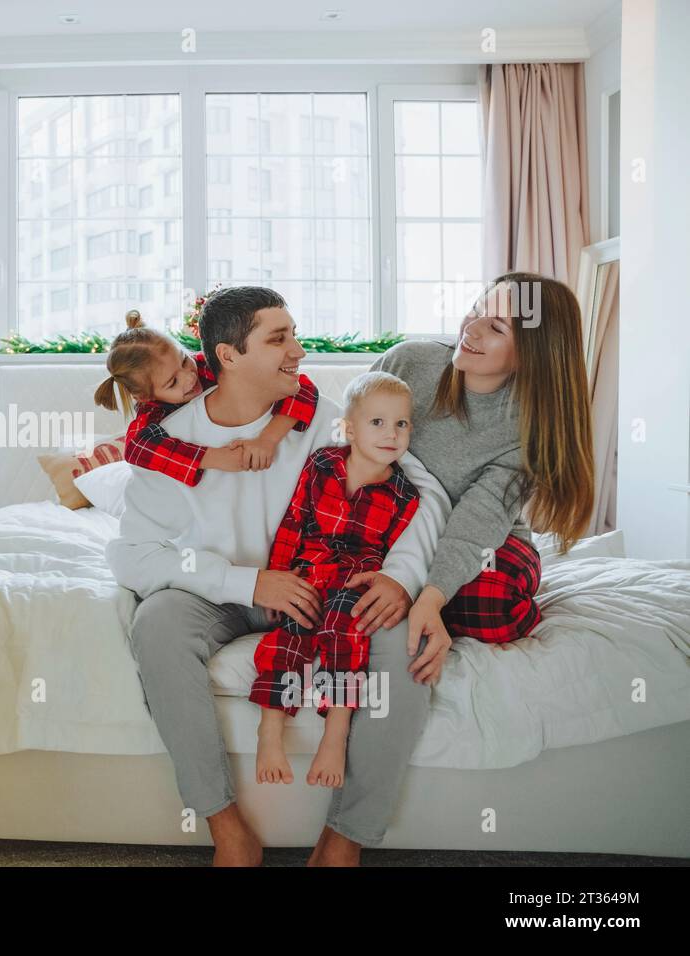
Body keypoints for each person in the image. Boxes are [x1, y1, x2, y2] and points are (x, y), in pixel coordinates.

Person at [106, 286, 452, 867]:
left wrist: (401, 577)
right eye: (279, 337)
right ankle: (227, 827)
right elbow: (131, 555)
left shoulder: (322, 416)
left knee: (400, 634)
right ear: (228, 356)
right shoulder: (173, 443)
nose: (299, 347)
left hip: (324, 591)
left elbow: (427, 492)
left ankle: (345, 839)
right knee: (156, 623)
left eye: (294, 332)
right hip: (220, 594)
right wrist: (246, 582)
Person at [306, 270, 597, 867]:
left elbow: (478, 517)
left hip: (481, 537)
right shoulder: (411, 363)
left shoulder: (526, 424)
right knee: (344, 590)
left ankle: (348, 836)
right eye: (473, 311)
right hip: (385, 529)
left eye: (494, 327)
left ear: (532, 353)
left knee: (489, 604)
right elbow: (346, 441)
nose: (469, 329)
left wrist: (431, 598)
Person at [251, 372, 423, 791]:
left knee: (345, 635)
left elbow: (402, 556)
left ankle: (336, 732)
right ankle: (269, 732)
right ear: (349, 429)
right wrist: (278, 572)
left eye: (401, 424)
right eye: (377, 423)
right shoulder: (323, 464)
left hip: (354, 581)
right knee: (287, 637)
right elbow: (293, 520)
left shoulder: (405, 495)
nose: (391, 434)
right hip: (309, 570)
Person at [94, 309, 319, 481]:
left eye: (184, 360)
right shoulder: (151, 411)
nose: (189, 377)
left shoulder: (210, 365)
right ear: (146, 396)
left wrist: (267, 439)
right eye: (173, 382)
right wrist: (215, 457)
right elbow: (136, 448)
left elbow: (302, 388)